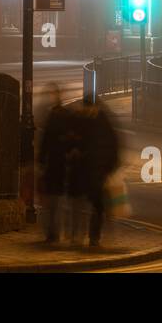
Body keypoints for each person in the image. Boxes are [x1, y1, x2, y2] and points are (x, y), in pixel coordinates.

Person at [37, 83, 82, 244]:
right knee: (54, 202)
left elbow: (48, 141)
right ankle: (55, 233)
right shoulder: (54, 114)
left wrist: (42, 160)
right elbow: (46, 141)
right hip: (57, 165)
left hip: (60, 164)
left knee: (56, 202)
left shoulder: (59, 115)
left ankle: (55, 233)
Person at [72, 97, 120, 247]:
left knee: (97, 205)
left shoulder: (102, 122)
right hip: (85, 171)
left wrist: (109, 167)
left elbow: (113, 145)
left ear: (93, 107)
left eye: (87, 108)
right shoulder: (83, 121)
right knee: (83, 204)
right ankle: (80, 235)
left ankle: (94, 237)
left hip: (99, 171)